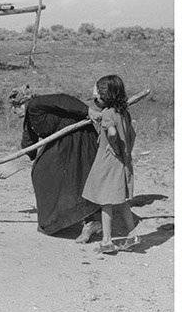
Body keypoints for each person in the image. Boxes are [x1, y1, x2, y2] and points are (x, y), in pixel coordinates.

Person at [12, 89, 100, 238]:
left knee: (53, 172)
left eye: (14, 109)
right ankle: (58, 219)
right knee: (40, 171)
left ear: (21, 104)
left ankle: (92, 221)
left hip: (79, 138)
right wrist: (25, 158)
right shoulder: (31, 116)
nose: (13, 113)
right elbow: (29, 139)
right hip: (64, 142)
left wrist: (88, 110)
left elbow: (63, 99)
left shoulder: (36, 104)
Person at [81, 74, 137, 253]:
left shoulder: (107, 114)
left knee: (106, 201)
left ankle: (106, 240)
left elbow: (112, 132)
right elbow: (132, 134)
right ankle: (133, 235)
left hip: (108, 162)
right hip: (122, 161)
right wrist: (125, 151)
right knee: (122, 200)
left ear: (104, 96)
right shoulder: (123, 112)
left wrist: (113, 147)